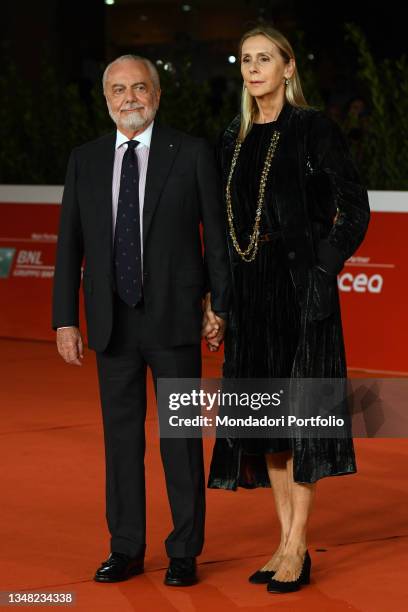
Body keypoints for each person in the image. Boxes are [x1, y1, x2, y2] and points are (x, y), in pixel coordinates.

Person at [52, 54, 230, 587]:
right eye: (117, 89)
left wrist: (219, 305)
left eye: (139, 87)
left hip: (174, 320)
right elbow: (69, 247)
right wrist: (66, 318)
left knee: (180, 439)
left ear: (157, 93)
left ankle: (184, 550)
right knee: (120, 441)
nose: (129, 97)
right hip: (112, 323)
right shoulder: (84, 160)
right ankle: (126, 547)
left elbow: (216, 240)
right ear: (105, 98)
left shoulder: (192, 152)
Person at [205, 26, 370, 593]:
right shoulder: (232, 136)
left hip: (302, 290)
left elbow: (354, 207)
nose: (253, 68)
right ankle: (282, 541)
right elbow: (225, 231)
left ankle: (299, 545)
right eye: (246, 59)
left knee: (300, 422)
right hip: (251, 295)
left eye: (265, 59)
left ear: (288, 68)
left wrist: (324, 270)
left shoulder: (313, 129)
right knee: (268, 424)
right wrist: (219, 300)